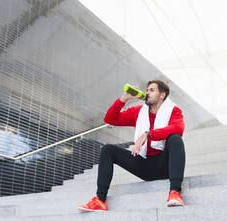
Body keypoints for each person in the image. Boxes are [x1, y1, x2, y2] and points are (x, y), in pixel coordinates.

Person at [78, 80, 186, 212]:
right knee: (108, 150)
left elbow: (178, 128)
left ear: (162, 95)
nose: (147, 93)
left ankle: (175, 192)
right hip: (144, 165)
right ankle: (100, 200)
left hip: (164, 166)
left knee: (175, 139)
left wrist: (148, 134)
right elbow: (111, 119)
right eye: (147, 90)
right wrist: (123, 99)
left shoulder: (173, 111)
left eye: (152, 90)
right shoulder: (139, 112)